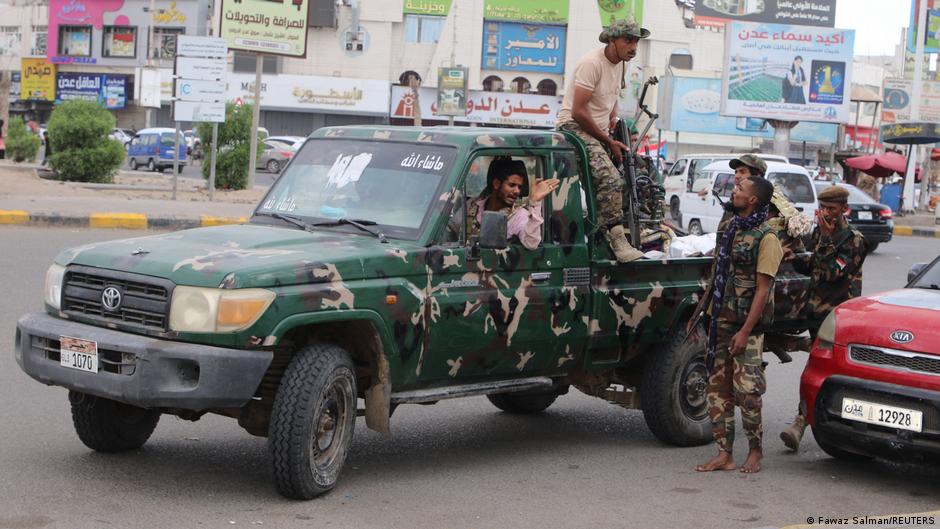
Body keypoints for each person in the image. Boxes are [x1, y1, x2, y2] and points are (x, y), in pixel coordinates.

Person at [694, 176, 782, 474]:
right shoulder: (732, 228)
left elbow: (762, 289)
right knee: (717, 389)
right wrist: (702, 315)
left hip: (747, 328)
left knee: (747, 393)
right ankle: (724, 453)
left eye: (739, 189)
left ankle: (755, 450)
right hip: (721, 321)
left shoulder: (766, 238)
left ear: (754, 199)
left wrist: (745, 331)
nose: (734, 191)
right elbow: (718, 275)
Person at [779, 185, 867, 450]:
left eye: (832, 208)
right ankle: (813, 420)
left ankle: (802, 422)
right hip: (816, 314)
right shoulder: (820, 233)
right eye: (824, 208)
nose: (827, 213)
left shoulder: (854, 240)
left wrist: (826, 241)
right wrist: (795, 258)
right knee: (821, 370)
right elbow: (814, 265)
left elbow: (831, 273)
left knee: (825, 371)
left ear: (844, 209)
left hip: (839, 320)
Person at [555, 17, 650, 263]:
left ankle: (621, 230)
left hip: (598, 130)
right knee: (609, 178)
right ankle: (618, 241)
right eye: (628, 40)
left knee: (635, 172)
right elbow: (577, 110)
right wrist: (608, 141)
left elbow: (612, 97)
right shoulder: (591, 63)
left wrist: (614, 118)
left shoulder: (621, 64)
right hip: (573, 127)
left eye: (636, 42)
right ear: (612, 40)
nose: (633, 47)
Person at [466, 157, 558, 250]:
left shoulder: (519, 215)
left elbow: (531, 243)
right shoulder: (472, 205)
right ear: (497, 184)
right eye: (512, 185)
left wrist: (535, 202)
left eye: (519, 187)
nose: (517, 191)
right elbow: (452, 230)